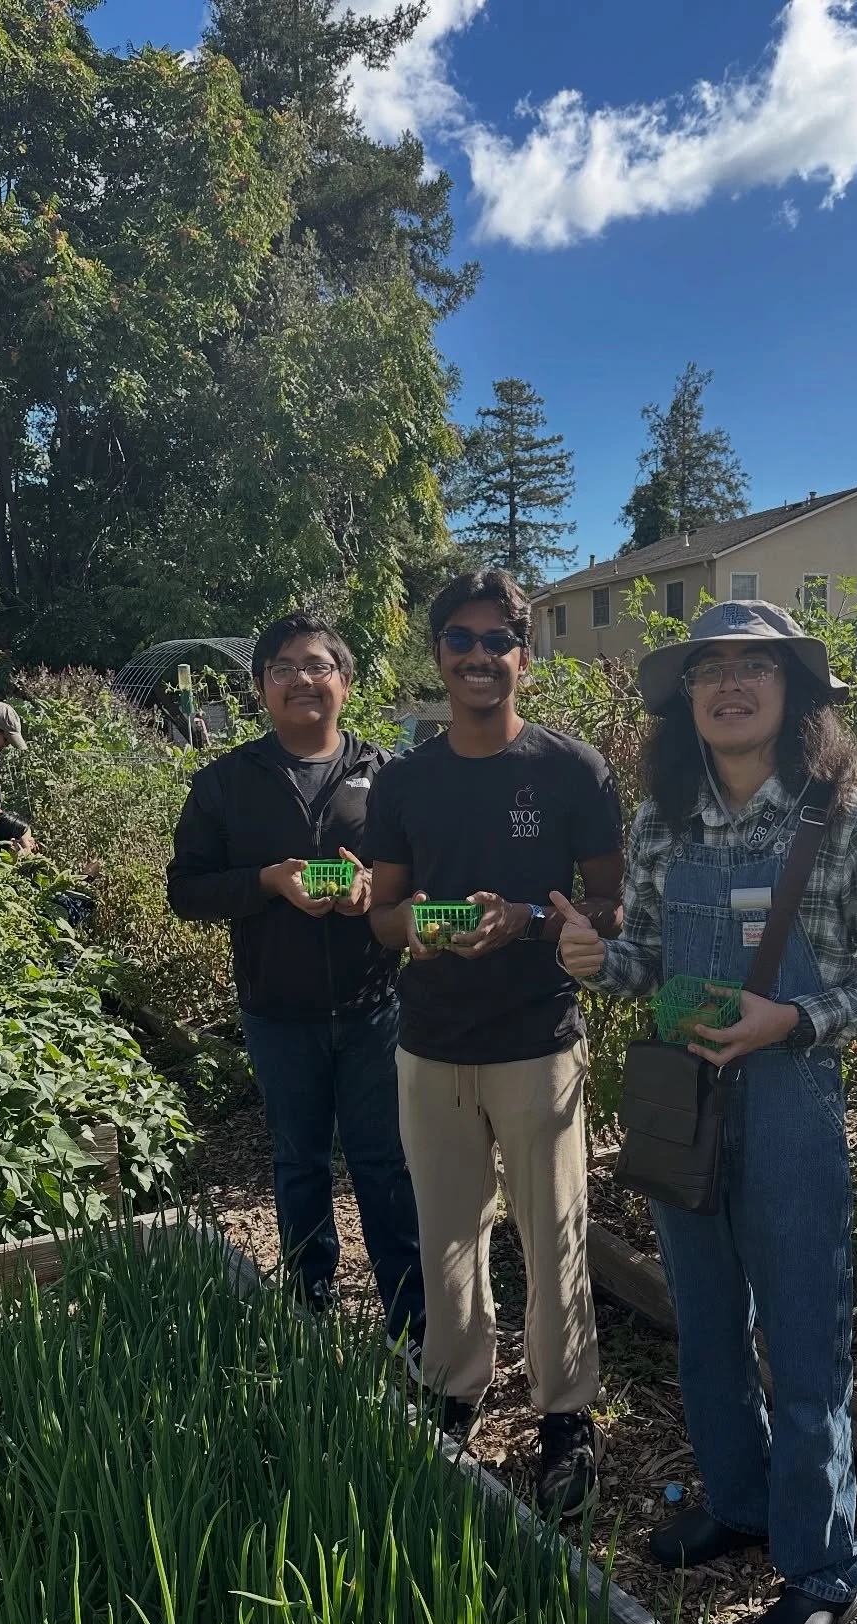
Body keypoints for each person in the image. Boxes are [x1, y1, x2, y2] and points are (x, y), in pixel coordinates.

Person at [556, 600, 857, 1624]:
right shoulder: (661, 824)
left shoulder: (849, 819)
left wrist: (800, 1019)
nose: (730, 684)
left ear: (792, 693)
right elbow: (641, 969)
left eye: (754, 667)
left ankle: (824, 1568)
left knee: (804, 1341)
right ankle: (735, 1502)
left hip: (790, 1105)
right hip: (681, 1101)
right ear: (686, 700)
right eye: (708, 669)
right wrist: (593, 960)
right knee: (708, 1324)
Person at [365, 568, 625, 1517]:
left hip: (536, 1039)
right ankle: (453, 1390)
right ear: (438, 655)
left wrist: (526, 917)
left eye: (496, 641)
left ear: (525, 653)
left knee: (556, 1238)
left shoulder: (571, 771)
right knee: (446, 1236)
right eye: (460, 641)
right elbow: (383, 917)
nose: (479, 658)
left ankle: (565, 1416)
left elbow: (607, 901)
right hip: (431, 1042)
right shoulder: (404, 780)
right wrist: (426, 927)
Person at [166, 612, 425, 1350]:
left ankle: (409, 1321)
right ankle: (310, 1309)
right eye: (282, 668)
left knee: (384, 1165)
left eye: (317, 666)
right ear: (259, 688)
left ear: (344, 681)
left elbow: (427, 880)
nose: (301, 680)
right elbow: (185, 891)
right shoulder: (225, 783)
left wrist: (373, 886)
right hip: (277, 1010)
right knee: (299, 1162)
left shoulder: (390, 778)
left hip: (376, 1006)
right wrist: (267, 882)